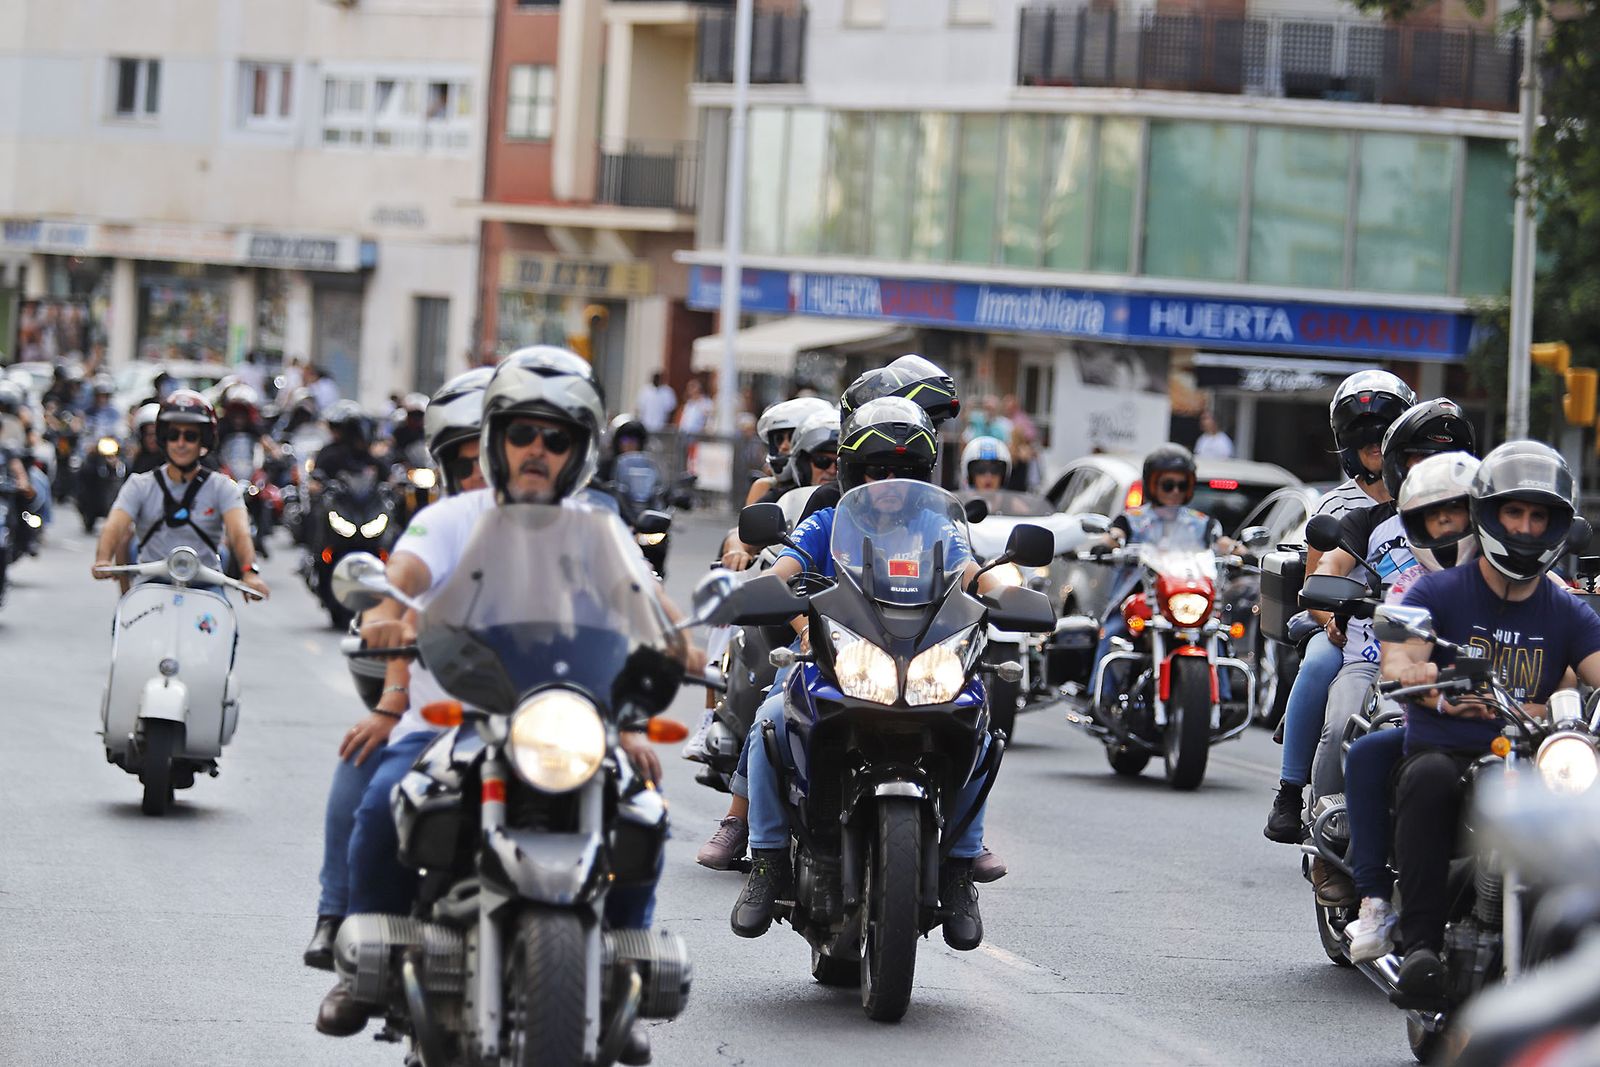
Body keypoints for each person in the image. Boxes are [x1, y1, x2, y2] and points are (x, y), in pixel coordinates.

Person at [317, 349, 703, 1062]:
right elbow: (405, 570)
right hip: (467, 714)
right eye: (523, 432)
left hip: (573, 718)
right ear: (497, 439)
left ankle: (619, 971)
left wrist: (686, 644)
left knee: (642, 808)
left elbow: (645, 601)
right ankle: (362, 964)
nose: (537, 449)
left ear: (579, 452)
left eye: (556, 438)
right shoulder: (456, 516)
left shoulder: (597, 529)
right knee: (383, 801)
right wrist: (386, 608)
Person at [727, 397, 1004, 950]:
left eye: (903, 472)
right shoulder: (827, 522)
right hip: (834, 658)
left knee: (980, 722)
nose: (889, 482)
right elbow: (786, 567)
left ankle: (959, 867)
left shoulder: (936, 526)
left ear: (922, 477)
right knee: (769, 719)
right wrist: (780, 597)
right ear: (855, 472)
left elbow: (974, 573)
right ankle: (768, 859)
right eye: (876, 470)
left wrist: (1010, 591)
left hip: (921, 663)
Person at [1382, 442, 1600, 1003]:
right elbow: (1397, 658)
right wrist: (1432, 686)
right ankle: (1422, 948)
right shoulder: (1436, 589)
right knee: (1424, 779)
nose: (1526, 528)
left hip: (1534, 764)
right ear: (1488, 514)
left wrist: (1549, 709)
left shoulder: (1566, 609)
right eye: (1514, 513)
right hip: (1450, 754)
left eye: (1538, 516)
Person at [303, 366, 491, 974]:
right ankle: (352, 930)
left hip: (548, 727)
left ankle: (621, 969)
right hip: (438, 724)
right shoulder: (440, 523)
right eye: (467, 462)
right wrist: (388, 624)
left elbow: (629, 603)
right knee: (377, 790)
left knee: (634, 808)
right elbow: (399, 583)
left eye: (499, 453)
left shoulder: (574, 525)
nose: (483, 474)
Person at [1294, 399, 1476, 908]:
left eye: (1446, 461)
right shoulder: (1367, 520)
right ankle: (1329, 848)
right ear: (1398, 466)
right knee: (1340, 728)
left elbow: (1530, 579)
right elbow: (1323, 576)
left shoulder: (1483, 528)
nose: (1432, 476)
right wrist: (1331, 612)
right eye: (1419, 461)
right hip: (1375, 656)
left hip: (1465, 663)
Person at [1262, 369, 1415, 845]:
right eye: (1363, 437)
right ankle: (1291, 792)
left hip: (1414, 626)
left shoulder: (1428, 500)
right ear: (1348, 446)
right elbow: (1317, 579)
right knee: (1318, 663)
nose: (1375, 445)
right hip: (1343, 624)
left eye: (1384, 435)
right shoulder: (1336, 504)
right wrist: (1332, 622)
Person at [1341, 451, 1479, 963]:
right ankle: (1375, 897)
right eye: (1430, 516)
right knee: (1368, 752)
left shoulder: (1532, 581)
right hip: (1434, 727)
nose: (1445, 525)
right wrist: (1413, 673)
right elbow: (1396, 654)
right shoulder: (1412, 588)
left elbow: (1577, 655)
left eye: (1455, 512)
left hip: (1520, 733)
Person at [89, 391, 269, 597]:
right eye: (173, 436)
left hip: (206, 589)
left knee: (227, 626)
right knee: (123, 625)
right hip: (150, 587)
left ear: (204, 440)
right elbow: (115, 525)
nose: (180, 443)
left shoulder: (223, 487)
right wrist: (103, 558)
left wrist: (250, 572)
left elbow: (239, 533)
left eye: (190, 436)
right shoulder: (139, 485)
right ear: (163, 439)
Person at [127, 403, 164, 475]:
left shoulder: (172, 462)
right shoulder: (135, 462)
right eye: (148, 434)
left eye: (156, 434)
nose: (152, 439)